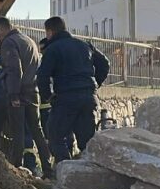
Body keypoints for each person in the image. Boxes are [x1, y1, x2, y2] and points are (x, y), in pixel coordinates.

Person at [37, 16, 109, 163]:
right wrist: (95, 84)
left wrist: (48, 96)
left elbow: (42, 76)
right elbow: (105, 63)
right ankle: (90, 171)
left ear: (50, 32)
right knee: (87, 142)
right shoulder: (84, 45)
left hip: (66, 98)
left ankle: (65, 169)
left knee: (55, 136)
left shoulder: (52, 49)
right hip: (88, 98)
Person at [0, 17, 50, 170]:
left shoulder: (9, 42)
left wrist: (13, 95)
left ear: (3, 28)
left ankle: (16, 169)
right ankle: (47, 167)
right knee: (37, 130)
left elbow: (14, 70)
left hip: (19, 93)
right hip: (33, 91)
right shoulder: (29, 41)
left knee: (18, 132)